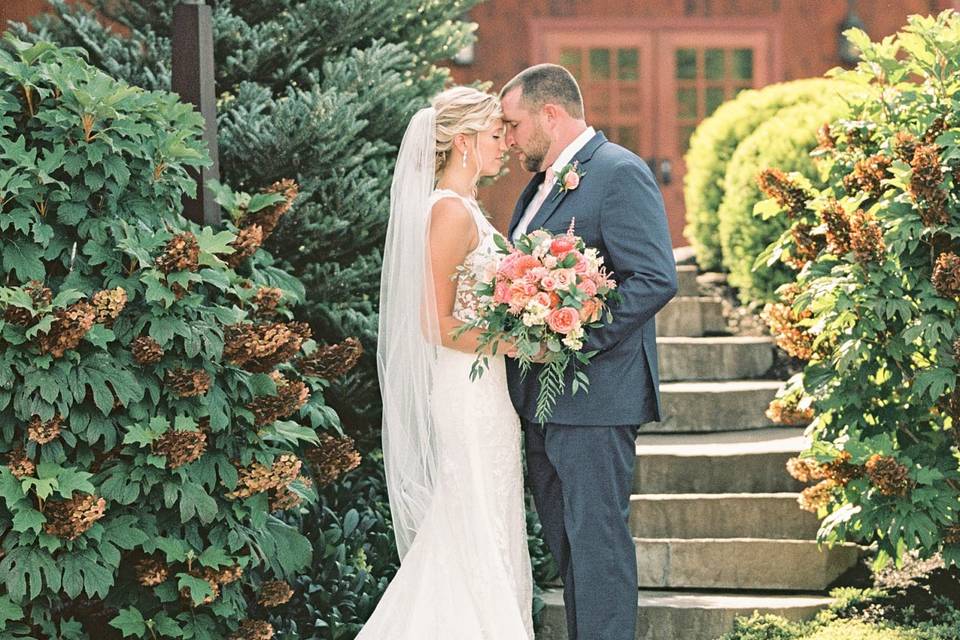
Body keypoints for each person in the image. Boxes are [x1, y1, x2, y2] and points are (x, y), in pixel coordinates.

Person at [500, 64, 678, 640]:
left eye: (513, 123)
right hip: (541, 403)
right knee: (569, 550)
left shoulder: (619, 171)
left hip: (596, 398)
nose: (507, 138)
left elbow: (653, 278)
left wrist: (571, 338)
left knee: (597, 547)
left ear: (550, 114)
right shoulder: (540, 185)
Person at [362, 86, 534, 639]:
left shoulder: (466, 208)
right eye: (493, 134)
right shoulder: (450, 212)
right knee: (472, 525)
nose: (505, 143)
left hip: (484, 393)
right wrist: (513, 344)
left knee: (485, 522)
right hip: (464, 394)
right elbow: (433, 322)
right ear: (463, 143)